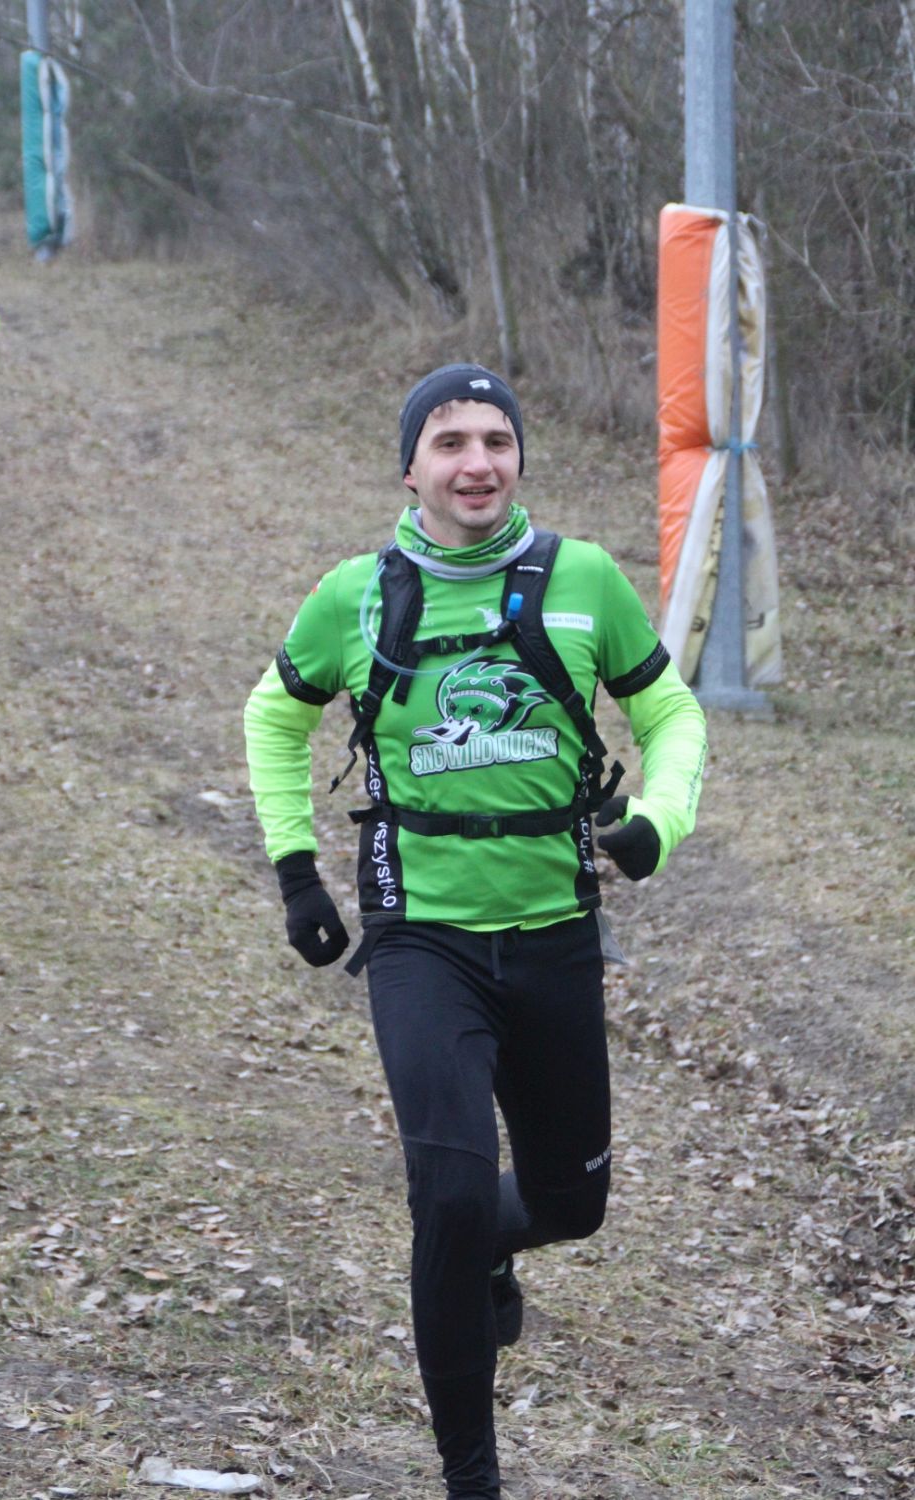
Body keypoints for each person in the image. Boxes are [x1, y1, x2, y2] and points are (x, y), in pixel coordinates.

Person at [243, 363, 707, 1499]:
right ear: (410, 468)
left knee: (569, 1204)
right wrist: (298, 871)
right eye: (449, 442)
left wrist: (659, 819)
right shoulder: (356, 596)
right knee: (447, 1199)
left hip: (554, 936)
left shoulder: (582, 579)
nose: (477, 463)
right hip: (422, 941)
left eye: (495, 440)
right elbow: (273, 713)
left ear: (518, 457)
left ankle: (495, 1244)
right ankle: (471, 1478)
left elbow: (669, 710)